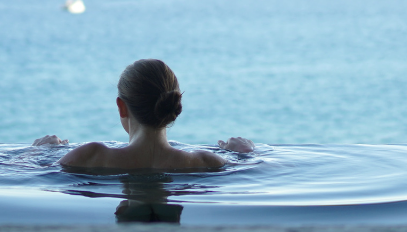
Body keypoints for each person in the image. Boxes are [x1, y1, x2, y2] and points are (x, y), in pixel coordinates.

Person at [33, 59, 254, 170]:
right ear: (174, 106)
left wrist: (38, 152)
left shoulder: (91, 156)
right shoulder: (205, 162)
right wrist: (244, 153)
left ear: (121, 107)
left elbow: (27, 172)